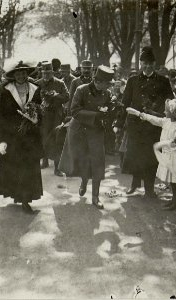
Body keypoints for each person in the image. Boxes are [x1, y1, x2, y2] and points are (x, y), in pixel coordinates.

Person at [113, 46, 174, 199]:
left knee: (150, 158)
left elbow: (170, 102)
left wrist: (160, 114)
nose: (147, 66)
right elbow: (124, 103)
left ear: (154, 64)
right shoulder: (132, 81)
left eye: (150, 63)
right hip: (135, 125)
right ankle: (134, 184)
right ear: (140, 64)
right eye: (144, 63)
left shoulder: (163, 81)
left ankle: (149, 190)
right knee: (134, 156)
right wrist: (118, 124)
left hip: (153, 125)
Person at [59, 65, 114, 209]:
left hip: (96, 131)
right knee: (82, 161)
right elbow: (74, 111)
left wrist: (113, 110)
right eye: (107, 83)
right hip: (79, 131)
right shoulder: (81, 90)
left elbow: (108, 109)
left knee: (98, 162)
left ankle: (95, 197)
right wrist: (96, 115)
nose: (108, 86)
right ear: (98, 81)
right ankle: (84, 182)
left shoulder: (106, 93)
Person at [126, 99, 176, 213]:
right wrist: (138, 113)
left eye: (166, 110)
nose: (164, 111)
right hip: (170, 156)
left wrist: (161, 144)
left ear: (172, 112)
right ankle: (175, 201)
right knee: (173, 181)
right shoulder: (167, 121)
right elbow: (154, 119)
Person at [0, 61, 43, 213]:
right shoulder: (6, 91)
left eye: (24, 72)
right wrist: (2, 139)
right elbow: (2, 116)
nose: (21, 75)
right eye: (18, 73)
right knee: (16, 166)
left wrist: (36, 118)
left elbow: (40, 109)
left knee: (29, 166)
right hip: (12, 136)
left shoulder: (35, 89)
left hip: (30, 136)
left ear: (27, 73)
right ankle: (19, 195)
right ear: (13, 75)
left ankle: (26, 199)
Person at [35, 62, 69, 174]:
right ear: (41, 72)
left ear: (52, 72)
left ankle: (57, 167)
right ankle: (44, 161)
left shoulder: (60, 83)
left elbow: (67, 97)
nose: (46, 75)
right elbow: (31, 100)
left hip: (56, 116)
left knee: (57, 139)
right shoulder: (37, 83)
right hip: (43, 116)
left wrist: (55, 95)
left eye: (48, 73)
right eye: (44, 73)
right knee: (43, 138)